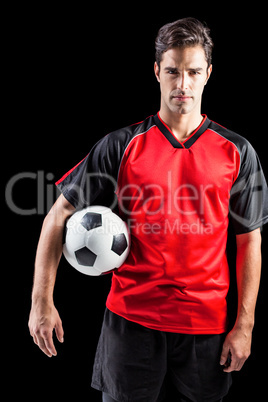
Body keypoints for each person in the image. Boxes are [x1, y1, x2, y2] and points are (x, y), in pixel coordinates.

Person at [29, 18, 268, 402]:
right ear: (157, 71)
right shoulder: (122, 145)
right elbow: (57, 216)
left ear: (208, 73)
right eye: (173, 71)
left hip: (205, 326)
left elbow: (249, 241)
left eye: (193, 72)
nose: (182, 84)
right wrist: (41, 301)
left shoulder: (237, 152)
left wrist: (245, 325)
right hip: (131, 320)